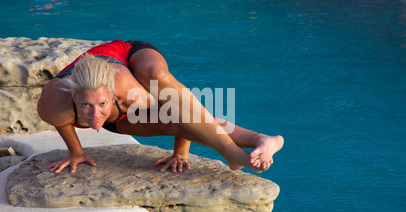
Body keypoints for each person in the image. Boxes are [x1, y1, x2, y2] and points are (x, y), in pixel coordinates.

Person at [37, 40, 284, 174]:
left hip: (131, 56)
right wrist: (76, 153)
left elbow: (180, 108)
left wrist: (181, 153)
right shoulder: (54, 103)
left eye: (102, 104)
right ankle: (259, 141)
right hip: (115, 111)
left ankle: (246, 147)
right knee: (171, 119)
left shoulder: (132, 94)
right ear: (73, 98)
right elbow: (62, 124)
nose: (94, 114)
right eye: (85, 106)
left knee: (157, 76)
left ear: (113, 97)